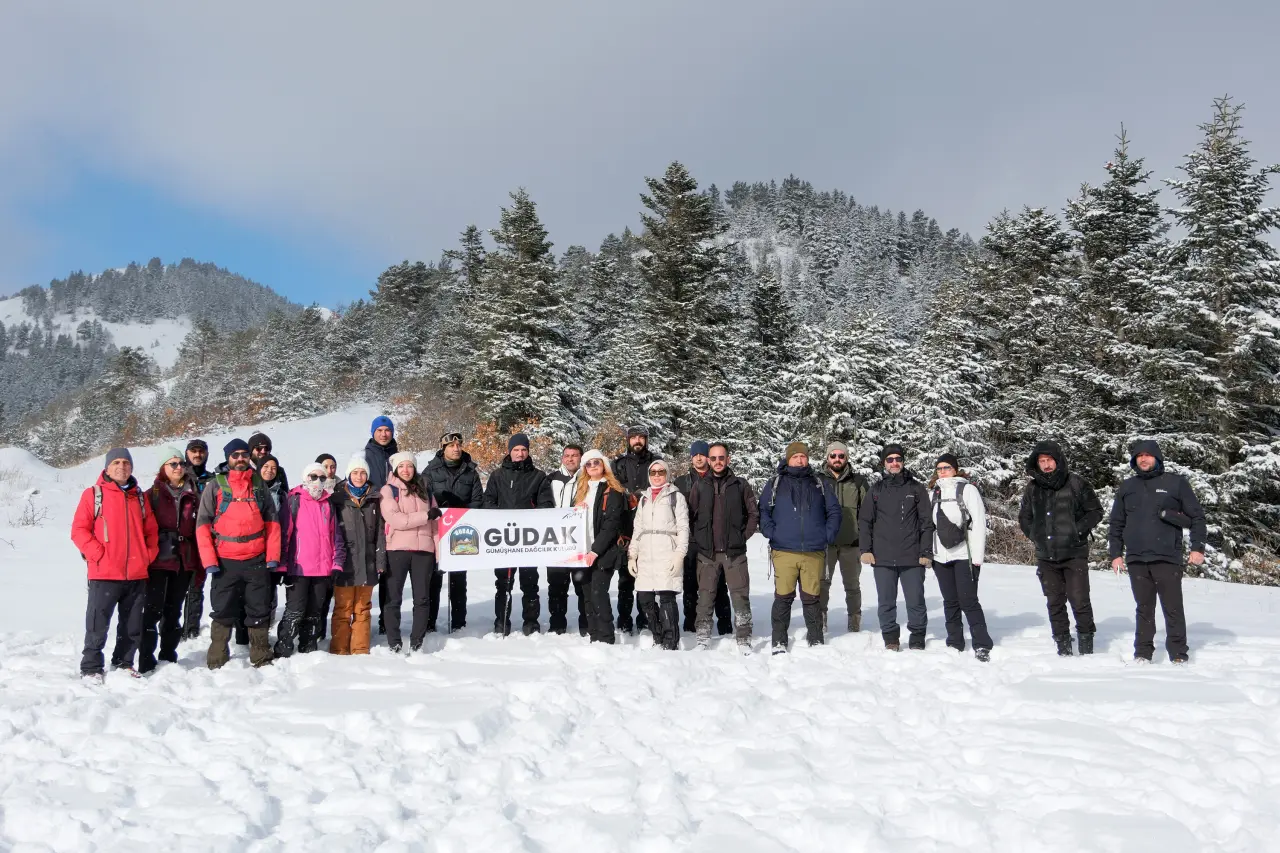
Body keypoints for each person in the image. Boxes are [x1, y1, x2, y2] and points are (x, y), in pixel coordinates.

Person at [1108, 440, 1206, 664]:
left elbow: (1197, 518)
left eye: (1148, 455)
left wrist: (1197, 548)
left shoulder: (1176, 483)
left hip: (1167, 557)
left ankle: (1178, 654)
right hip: (1136, 559)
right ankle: (1142, 653)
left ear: (1157, 458)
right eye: (1139, 456)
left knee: (1172, 608)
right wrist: (1115, 554)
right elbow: (1116, 523)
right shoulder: (1127, 487)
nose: (1143, 459)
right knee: (1143, 608)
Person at [71, 448, 160, 680]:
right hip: (105, 573)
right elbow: (79, 530)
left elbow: (151, 532)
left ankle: (124, 663)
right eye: (116, 462)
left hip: (136, 574)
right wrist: (97, 554)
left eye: (126, 462)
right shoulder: (94, 495)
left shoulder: (139, 497)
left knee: (131, 625)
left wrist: (146, 556)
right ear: (107, 467)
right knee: (97, 623)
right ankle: (91, 667)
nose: (122, 467)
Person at [196, 438, 283, 669]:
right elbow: (203, 524)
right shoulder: (215, 485)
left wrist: (273, 556)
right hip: (225, 560)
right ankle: (217, 657)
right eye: (235, 455)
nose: (241, 458)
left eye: (244, 454)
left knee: (258, 608)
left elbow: (272, 521)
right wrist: (209, 560)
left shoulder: (258, 484)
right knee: (223, 608)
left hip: (256, 558)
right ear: (228, 458)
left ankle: (261, 655)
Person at [1018, 440, 1104, 656]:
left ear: (1058, 461)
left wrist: (1077, 531)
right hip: (1046, 555)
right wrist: (1035, 536)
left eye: (1049, 461)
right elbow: (1025, 516)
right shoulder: (1032, 488)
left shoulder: (1076, 483)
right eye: (1042, 461)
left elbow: (1095, 511)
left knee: (1079, 599)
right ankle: (1062, 645)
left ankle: (1086, 644)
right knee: (1054, 601)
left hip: (1074, 552)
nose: (1046, 465)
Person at [760, 442, 841, 653]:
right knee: (783, 597)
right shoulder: (776, 483)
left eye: (803, 456)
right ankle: (779, 641)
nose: (799, 460)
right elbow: (764, 511)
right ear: (788, 459)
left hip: (813, 551)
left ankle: (815, 640)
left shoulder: (819, 483)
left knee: (812, 598)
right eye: (795, 456)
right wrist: (772, 533)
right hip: (784, 550)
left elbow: (834, 511)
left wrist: (827, 535)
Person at [859, 444, 934, 651]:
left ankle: (917, 635)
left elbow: (926, 522)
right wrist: (865, 549)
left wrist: (926, 552)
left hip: (912, 557)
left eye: (897, 459)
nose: (894, 463)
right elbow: (865, 521)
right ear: (884, 463)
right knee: (886, 602)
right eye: (890, 459)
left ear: (903, 461)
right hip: (882, 558)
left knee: (915, 600)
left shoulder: (916, 488)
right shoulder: (876, 490)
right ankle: (890, 637)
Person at [687, 442, 758, 651]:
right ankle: (702, 638)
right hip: (707, 554)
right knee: (705, 597)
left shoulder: (740, 485)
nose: (718, 462)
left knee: (740, 597)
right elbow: (690, 516)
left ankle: (744, 639)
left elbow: (753, 514)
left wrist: (742, 536)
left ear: (728, 459)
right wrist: (699, 538)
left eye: (721, 458)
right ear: (709, 461)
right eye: (714, 458)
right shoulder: (700, 486)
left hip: (734, 553)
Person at [136, 447, 200, 673]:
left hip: (183, 560)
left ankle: (168, 656)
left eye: (181, 463)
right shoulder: (150, 494)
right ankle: (145, 659)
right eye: (173, 464)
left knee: (174, 611)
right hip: (157, 561)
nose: (179, 468)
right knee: (152, 611)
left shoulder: (193, 493)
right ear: (163, 467)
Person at [484, 433, 554, 635]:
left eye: (523, 450)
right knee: (503, 584)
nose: (520, 454)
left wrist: (532, 518)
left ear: (528, 451)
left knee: (530, 583)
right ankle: (502, 621)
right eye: (516, 450)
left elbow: (546, 503)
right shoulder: (498, 476)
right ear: (509, 451)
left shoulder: (538, 476)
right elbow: (489, 501)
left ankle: (531, 622)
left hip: (528, 539)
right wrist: (499, 520)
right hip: (503, 539)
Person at [274, 463, 346, 657]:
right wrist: (282, 566)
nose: (317, 481)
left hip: (322, 570)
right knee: (295, 611)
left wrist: (336, 563)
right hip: (299, 569)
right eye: (313, 477)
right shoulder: (294, 501)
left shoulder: (328, 503)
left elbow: (336, 537)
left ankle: (308, 647)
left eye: (322, 478)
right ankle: (284, 647)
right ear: (305, 478)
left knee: (314, 612)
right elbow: (284, 534)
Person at [929, 454, 992, 661]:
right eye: (939, 468)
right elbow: (931, 527)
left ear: (955, 469)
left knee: (969, 601)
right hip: (941, 557)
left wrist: (977, 558)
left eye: (946, 467)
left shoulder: (968, 490)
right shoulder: (934, 492)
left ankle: (982, 643)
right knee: (950, 601)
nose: (943, 471)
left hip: (965, 555)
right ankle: (954, 642)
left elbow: (979, 524)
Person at [381, 451, 440, 653]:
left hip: (424, 551)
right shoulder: (388, 491)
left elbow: (435, 527)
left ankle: (417, 641)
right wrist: (425, 515)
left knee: (422, 599)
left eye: (410, 466)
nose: (406, 470)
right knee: (393, 598)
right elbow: (396, 520)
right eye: (402, 466)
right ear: (396, 469)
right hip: (397, 549)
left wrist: (438, 554)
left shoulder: (425, 490)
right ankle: (394, 642)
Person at [628, 459, 689, 650]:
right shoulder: (644, 498)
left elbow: (683, 527)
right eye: (653, 472)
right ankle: (658, 635)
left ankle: (670, 642)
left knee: (666, 597)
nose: (656, 475)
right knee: (645, 597)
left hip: (666, 552)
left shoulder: (675, 497)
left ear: (667, 474)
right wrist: (632, 554)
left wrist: (680, 554)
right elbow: (637, 528)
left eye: (661, 472)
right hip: (646, 554)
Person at [424, 432, 482, 633]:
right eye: (451, 446)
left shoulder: (470, 472)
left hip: (461, 532)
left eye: (458, 445)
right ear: (443, 448)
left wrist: (464, 514)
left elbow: (477, 500)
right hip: (437, 532)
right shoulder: (430, 471)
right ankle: (429, 623)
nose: (456, 448)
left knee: (459, 581)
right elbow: (424, 499)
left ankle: (459, 623)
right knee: (434, 580)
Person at [673, 441, 731, 636]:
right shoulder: (681, 482)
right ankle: (691, 625)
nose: (698, 458)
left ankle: (724, 626)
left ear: (709, 457)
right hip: (690, 541)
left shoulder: (719, 478)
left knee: (719, 584)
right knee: (690, 585)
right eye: (694, 455)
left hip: (714, 541)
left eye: (702, 454)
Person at [331, 453, 386, 655]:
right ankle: (339, 649)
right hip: (345, 563)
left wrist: (380, 561)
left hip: (368, 562)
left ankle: (360, 649)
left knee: (362, 609)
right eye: (355, 472)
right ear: (348, 475)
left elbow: (380, 532)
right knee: (343, 609)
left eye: (363, 472)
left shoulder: (374, 499)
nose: (359, 476)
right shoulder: (337, 499)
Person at [613, 425, 661, 634]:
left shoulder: (656, 463)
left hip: (650, 530)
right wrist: (626, 497)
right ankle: (624, 621)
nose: (638, 441)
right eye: (634, 438)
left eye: (641, 437)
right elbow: (612, 492)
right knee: (625, 581)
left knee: (647, 580)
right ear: (628, 440)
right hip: (626, 530)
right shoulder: (618, 464)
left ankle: (646, 620)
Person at [574, 450, 626, 644]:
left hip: (603, 552)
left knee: (598, 593)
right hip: (583, 550)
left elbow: (611, 525)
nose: (593, 465)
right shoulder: (582, 490)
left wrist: (596, 550)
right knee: (587, 594)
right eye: (588, 463)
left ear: (604, 464)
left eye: (597, 462)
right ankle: (594, 635)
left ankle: (606, 637)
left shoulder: (613, 490)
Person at [817, 441, 868, 634]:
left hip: (851, 544)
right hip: (826, 544)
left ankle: (854, 620)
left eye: (841, 456)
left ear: (846, 458)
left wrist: (864, 539)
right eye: (833, 455)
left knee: (853, 586)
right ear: (827, 457)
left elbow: (867, 513)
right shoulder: (818, 480)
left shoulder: (858, 481)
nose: (837, 459)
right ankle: (821, 620)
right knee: (822, 584)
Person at [547, 444, 590, 635]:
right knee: (556, 586)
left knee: (582, 586)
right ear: (562, 458)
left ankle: (586, 625)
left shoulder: (588, 479)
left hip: (580, 541)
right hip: (555, 541)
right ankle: (557, 625)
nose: (570, 459)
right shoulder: (551, 479)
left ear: (581, 458)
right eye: (567, 456)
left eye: (574, 456)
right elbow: (542, 504)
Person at [365, 415, 398, 634]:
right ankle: (360, 620)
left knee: (390, 571)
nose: (384, 434)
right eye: (380, 430)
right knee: (368, 569)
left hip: (395, 518)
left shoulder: (399, 456)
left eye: (387, 430)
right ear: (373, 433)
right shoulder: (365, 456)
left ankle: (386, 622)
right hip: (371, 516)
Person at [180, 438, 215, 640]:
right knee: (177, 587)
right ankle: (173, 627)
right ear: (187, 453)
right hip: (182, 540)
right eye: (193, 451)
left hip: (204, 540)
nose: (197, 455)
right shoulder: (180, 477)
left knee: (196, 586)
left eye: (201, 451)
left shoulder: (212, 480)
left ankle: (191, 628)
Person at [312, 453, 339, 638]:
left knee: (333, 595)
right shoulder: (313, 490)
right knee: (317, 598)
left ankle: (330, 632)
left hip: (337, 546)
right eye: (326, 466)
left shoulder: (342, 487)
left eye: (333, 466)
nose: (330, 470)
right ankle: (316, 631)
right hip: (317, 549)